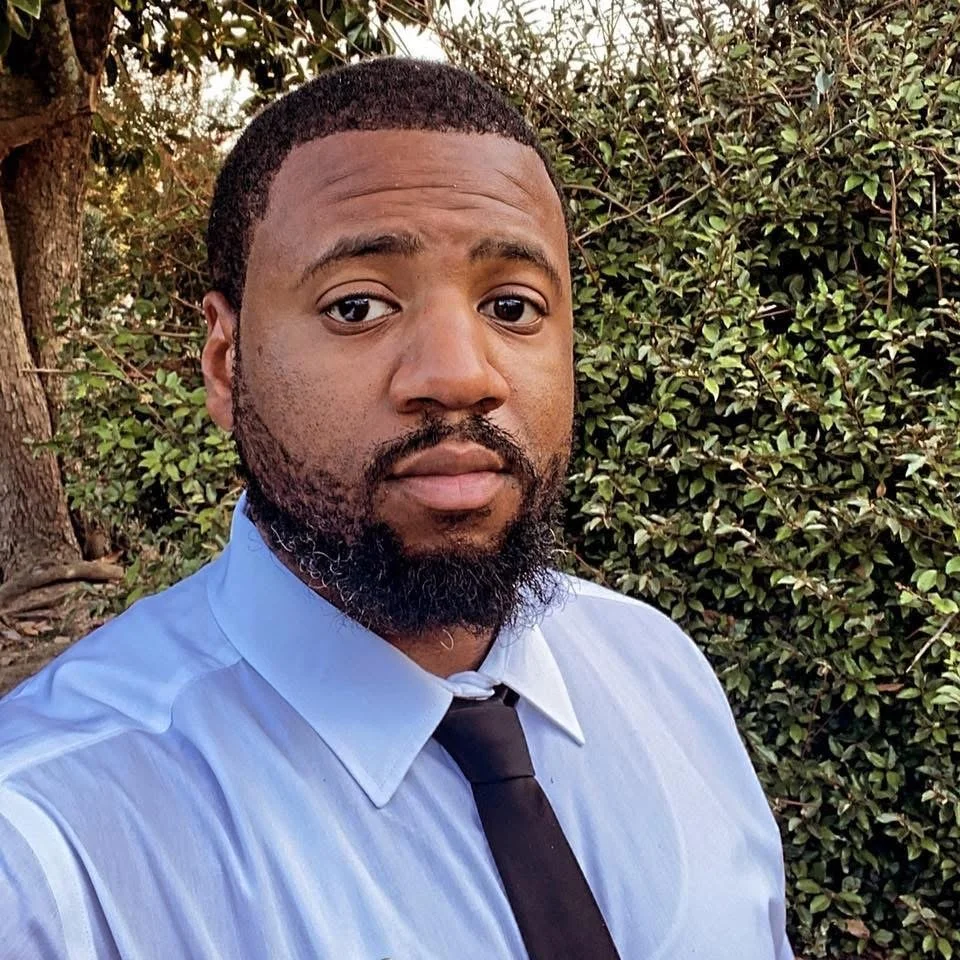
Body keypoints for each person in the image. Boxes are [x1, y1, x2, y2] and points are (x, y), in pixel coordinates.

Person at [0, 57, 793, 959]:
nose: (460, 374)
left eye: (512, 304)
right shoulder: (49, 851)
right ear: (226, 364)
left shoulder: (661, 673)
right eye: (358, 306)